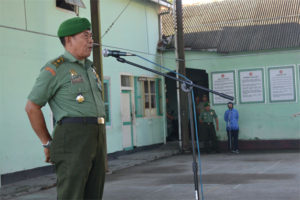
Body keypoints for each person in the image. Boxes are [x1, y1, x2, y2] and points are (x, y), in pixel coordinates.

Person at [25, 17, 106, 200]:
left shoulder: (90, 69)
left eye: (91, 35)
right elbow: (32, 107)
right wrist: (47, 142)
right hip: (72, 136)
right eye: (85, 36)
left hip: (97, 135)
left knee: (94, 193)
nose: (91, 40)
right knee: (72, 194)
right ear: (69, 39)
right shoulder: (55, 68)